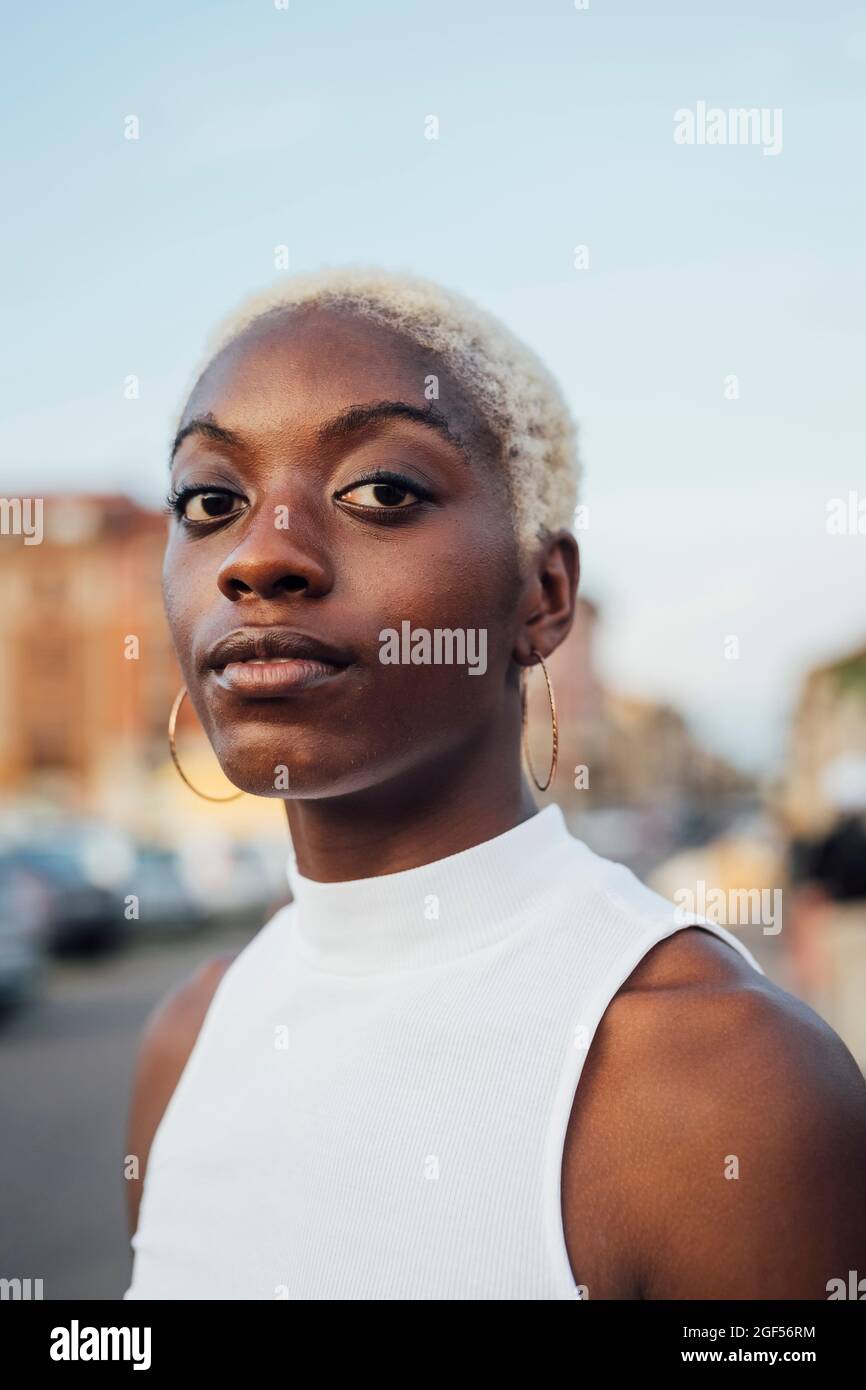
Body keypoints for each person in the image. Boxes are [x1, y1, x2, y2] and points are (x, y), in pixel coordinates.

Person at [124, 268, 866, 1300]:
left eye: (380, 491)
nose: (260, 556)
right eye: (211, 500)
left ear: (541, 593)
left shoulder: (724, 1084)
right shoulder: (187, 1041)